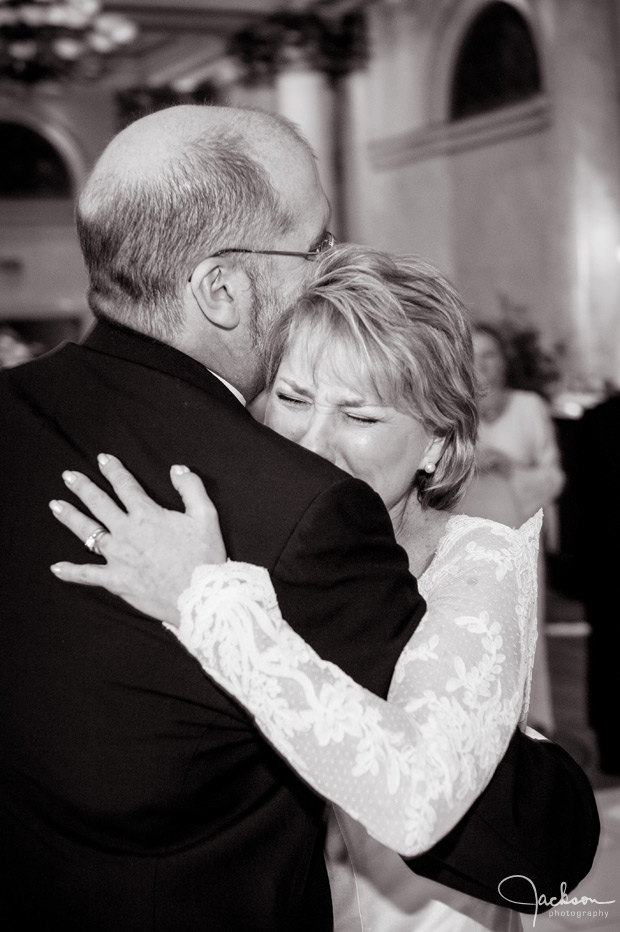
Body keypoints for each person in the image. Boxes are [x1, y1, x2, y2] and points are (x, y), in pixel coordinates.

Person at [49, 246, 599, 931]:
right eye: (293, 398)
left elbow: (416, 798)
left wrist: (206, 603)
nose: (312, 441)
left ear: (436, 441)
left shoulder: (475, 562)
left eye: (360, 416)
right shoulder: (255, 541)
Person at [460, 323, 565, 736]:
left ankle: (533, 721)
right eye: (474, 354)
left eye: (491, 355)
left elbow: (552, 474)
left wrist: (507, 464)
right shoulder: (453, 407)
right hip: (466, 529)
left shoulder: (528, 406)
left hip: (518, 527)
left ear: (505, 360)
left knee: (523, 624)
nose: (483, 364)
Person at [574, 390, 620, 775]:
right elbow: (579, 502)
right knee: (608, 651)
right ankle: (611, 746)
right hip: (609, 562)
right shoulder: (597, 422)